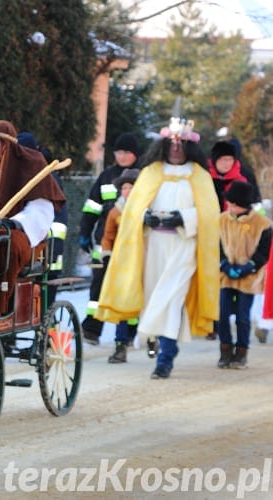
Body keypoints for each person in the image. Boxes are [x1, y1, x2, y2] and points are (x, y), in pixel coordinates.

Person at [96, 117, 220, 379]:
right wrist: (144, 218)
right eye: (171, 144)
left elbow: (209, 215)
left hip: (184, 247)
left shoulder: (200, 176)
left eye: (181, 144)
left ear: (190, 147)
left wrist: (184, 218)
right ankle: (158, 343)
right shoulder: (151, 174)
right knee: (155, 300)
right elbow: (132, 212)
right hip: (153, 247)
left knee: (172, 300)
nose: (176, 149)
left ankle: (165, 358)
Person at [0, 120, 66, 315]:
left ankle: (1, 305)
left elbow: (42, 209)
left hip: (22, 235)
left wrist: (14, 222)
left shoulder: (31, 165)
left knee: (10, 243)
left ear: (6, 144)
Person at [78, 132, 141, 345]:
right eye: (118, 152)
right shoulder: (106, 176)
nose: (121, 156)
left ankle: (130, 331)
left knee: (129, 287)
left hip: (132, 245)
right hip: (103, 242)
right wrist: (85, 233)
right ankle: (92, 329)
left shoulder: (143, 177)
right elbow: (91, 207)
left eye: (126, 153)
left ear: (135, 154)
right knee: (98, 286)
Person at [206, 138, 265, 340]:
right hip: (214, 231)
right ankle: (212, 324)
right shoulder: (206, 177)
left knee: (241, 305)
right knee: (215, 285)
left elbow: (256, 205)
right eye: (222, 160)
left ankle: (240, 345)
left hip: (242, 235)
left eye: (230, 159)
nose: (226, 164)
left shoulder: (245, 175)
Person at [217, 180, 271, 369]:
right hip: (226, 275)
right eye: (229, 204)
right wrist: (223, 263)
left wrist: (249, 266)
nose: (230, 208)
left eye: (234, 205)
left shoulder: (262, 224)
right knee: (222, 314)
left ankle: (241, 351)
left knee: (242, 316)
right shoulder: (222, 219)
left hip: (249, 277)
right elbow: (217, 245)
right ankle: (225, 349)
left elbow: (264, 252)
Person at [17, 132, 68, 310]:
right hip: (29, 245)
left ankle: (48, 331)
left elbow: (59, 218)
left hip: (49, 246)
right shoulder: (18, 174)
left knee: (47, 293)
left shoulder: (49, 178)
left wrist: (54, 247)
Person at [100, 167, 141, 363]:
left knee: (146, 303)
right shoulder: (115, 211)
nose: (127, 191)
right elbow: (108, 236)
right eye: (124, 188)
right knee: (123, 306)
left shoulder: (145, 210)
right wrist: (107, 255)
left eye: (131, 187)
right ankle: (120, 345)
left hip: (142, 262)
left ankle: (151, 338)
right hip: (122, 265)